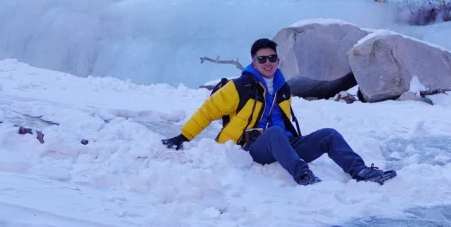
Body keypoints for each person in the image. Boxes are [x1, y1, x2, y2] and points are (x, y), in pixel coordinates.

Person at [163, 37, 396, 187]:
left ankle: (361, 170)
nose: (267, 62)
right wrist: (183, 136)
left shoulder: (283, 87)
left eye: (272, 58)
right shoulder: (239, 87)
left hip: (285, 144)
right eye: (261, 59)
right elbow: (207, 112)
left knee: (329, 134)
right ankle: (303, 175)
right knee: (274, 132)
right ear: (253, 62)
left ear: (278, 60)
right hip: (250, 147)